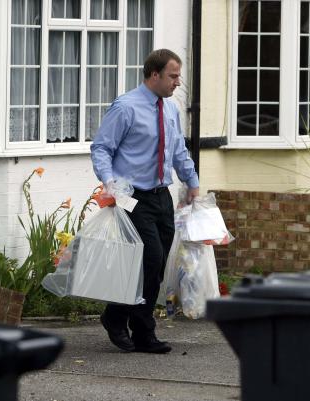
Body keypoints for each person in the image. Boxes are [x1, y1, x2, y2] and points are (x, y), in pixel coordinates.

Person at [90, 49, 199, 354]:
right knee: (148, 259)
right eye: (173, 76)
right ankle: (130, 324)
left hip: (161, 196)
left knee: (157, 263)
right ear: (154, 75)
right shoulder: (126, 107)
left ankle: (129, 325)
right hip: (130, 196)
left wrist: (192, 181)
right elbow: (101, 148)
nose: (178, 82)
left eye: (178, 76)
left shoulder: (170, 109)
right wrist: (109, 183)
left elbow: (178, 149)